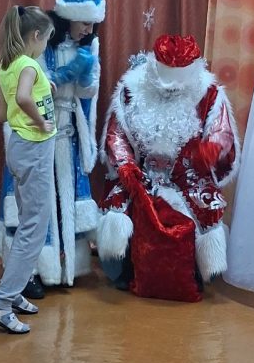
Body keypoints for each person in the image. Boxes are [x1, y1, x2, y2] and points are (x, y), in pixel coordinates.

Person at [96, 34, 240, 302]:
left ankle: (192, 271)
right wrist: (125, 165)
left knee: (202, 208)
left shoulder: (209, 95)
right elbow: (116, 134)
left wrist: (211, 150)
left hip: (187, 176)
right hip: (140, 172)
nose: (171, 89)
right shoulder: (131, 88)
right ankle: (126, 267)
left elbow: (222, 134)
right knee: (120, 207)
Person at [0, 0, 106, 293]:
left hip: (65, 137)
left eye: (93, 24)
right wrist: (53, 87)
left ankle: (66, 266)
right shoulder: (37, 49)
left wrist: (84, 73)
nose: (89, 29)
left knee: (57, 203)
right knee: (33, 211)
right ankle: (28, 274)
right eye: (84, 23)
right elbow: (27, 95)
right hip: (37, 137)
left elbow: (87, 94)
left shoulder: (88, 47)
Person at [0, 5, 56, 334]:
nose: (46, 46)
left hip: (19, 148)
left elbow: (2, 114)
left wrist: (44, 89)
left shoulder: (8, 64)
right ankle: (1, 302)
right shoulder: (28, 64)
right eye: (46, 40)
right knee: (33, 228)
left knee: (30, 223)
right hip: (34, 149)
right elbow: (25, 98)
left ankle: (13, 292)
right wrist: (40, 121)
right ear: (36, 36)